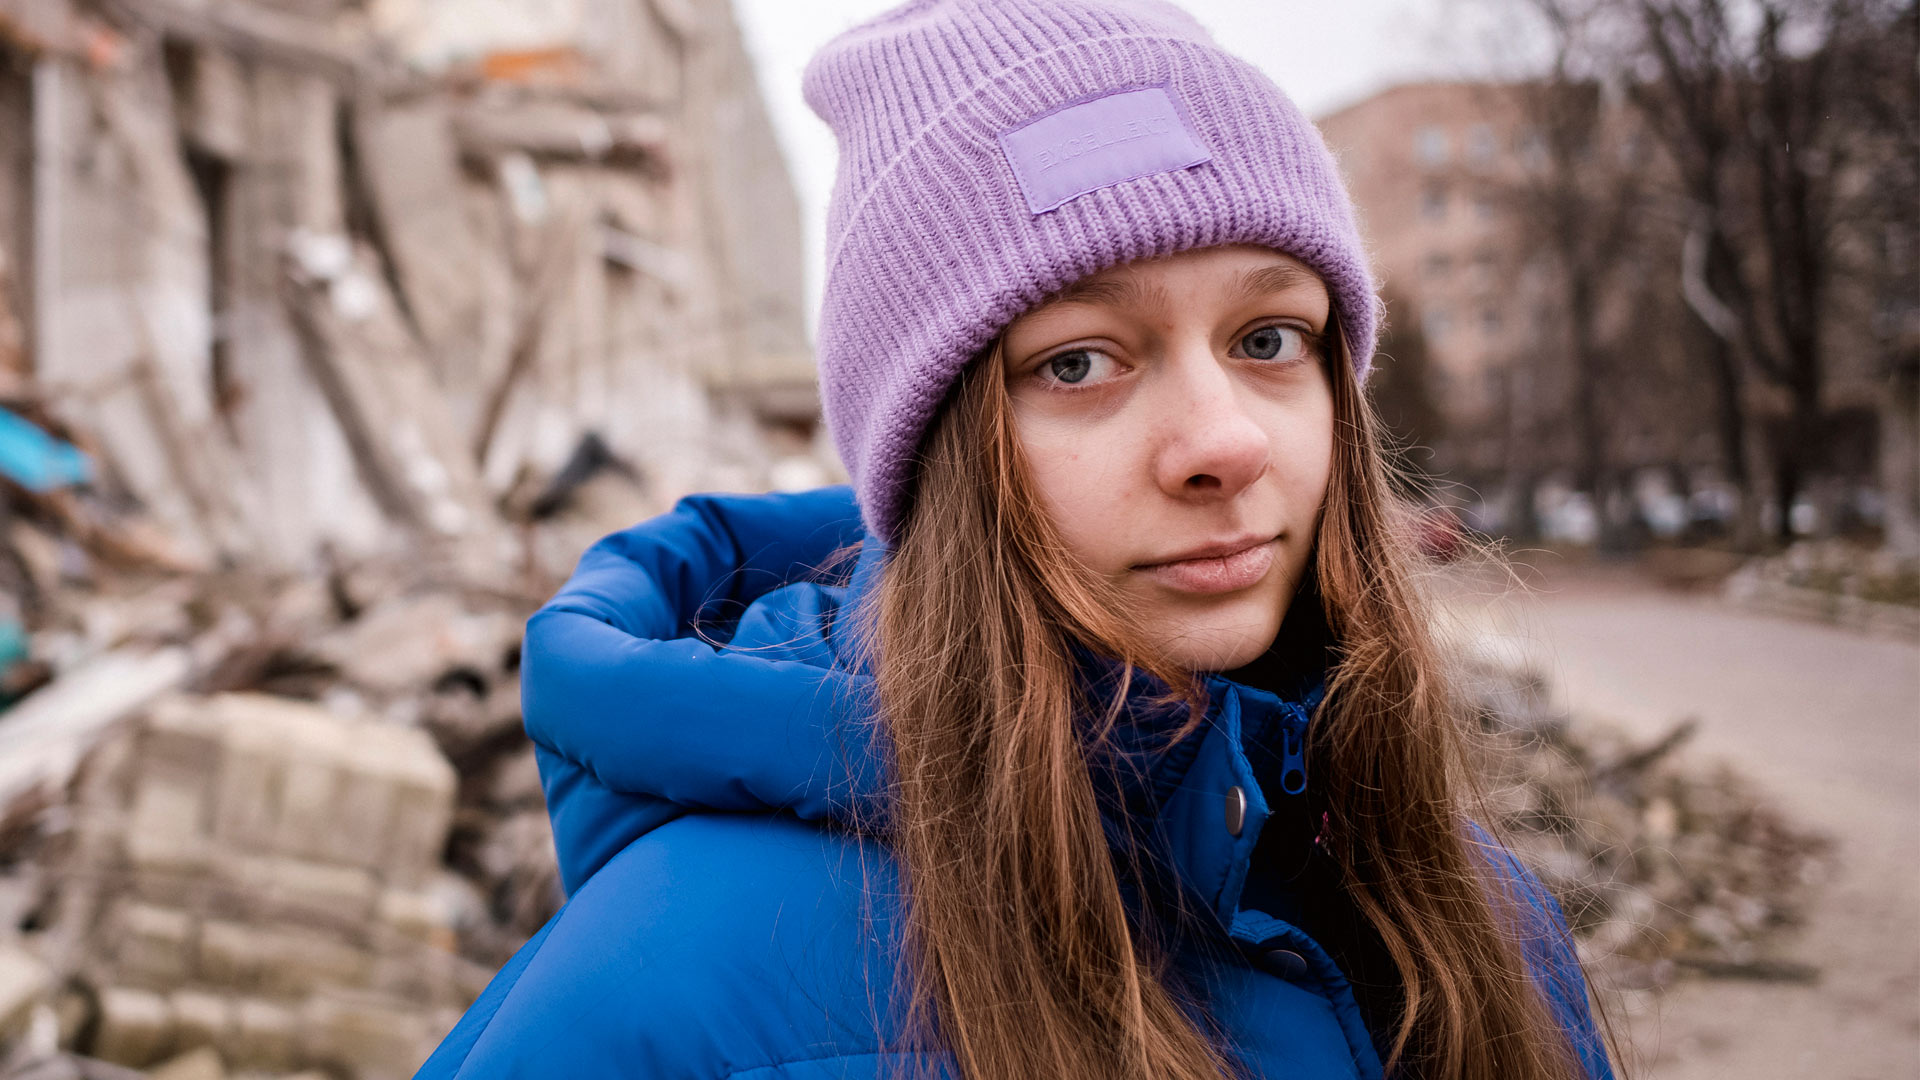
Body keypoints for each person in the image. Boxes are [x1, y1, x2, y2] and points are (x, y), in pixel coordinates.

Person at [415, 1, 1617, 1078]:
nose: (1225, 443)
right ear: (935, 459)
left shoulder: (1477, 917)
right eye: (1079, 361)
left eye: (1268, 339)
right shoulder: (665, 989)